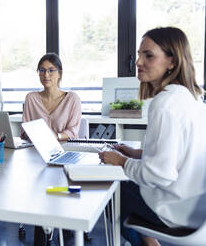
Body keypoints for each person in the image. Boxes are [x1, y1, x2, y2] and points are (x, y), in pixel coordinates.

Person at [98, 27, 206, 246]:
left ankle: (149, 244)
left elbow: (160, 175)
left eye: (148, 55)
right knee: (125, 184)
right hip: (196, 206)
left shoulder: (164, 104)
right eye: (139, 54)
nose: (138, 62)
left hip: (175, 209)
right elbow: (181, 155)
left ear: (172, 62)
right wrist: (138, 154)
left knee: (111, 192)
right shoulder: (191, 98)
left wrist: (121, 161)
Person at [22, 53, 82, 141]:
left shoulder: (72, 99)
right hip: (37, 149)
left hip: (65, 148)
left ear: (59, 74)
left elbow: (73, 132)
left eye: (51, 70)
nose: (46, 75)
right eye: (42, 70)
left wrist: (57, 136)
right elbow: (25, 131)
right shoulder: (31, 98)